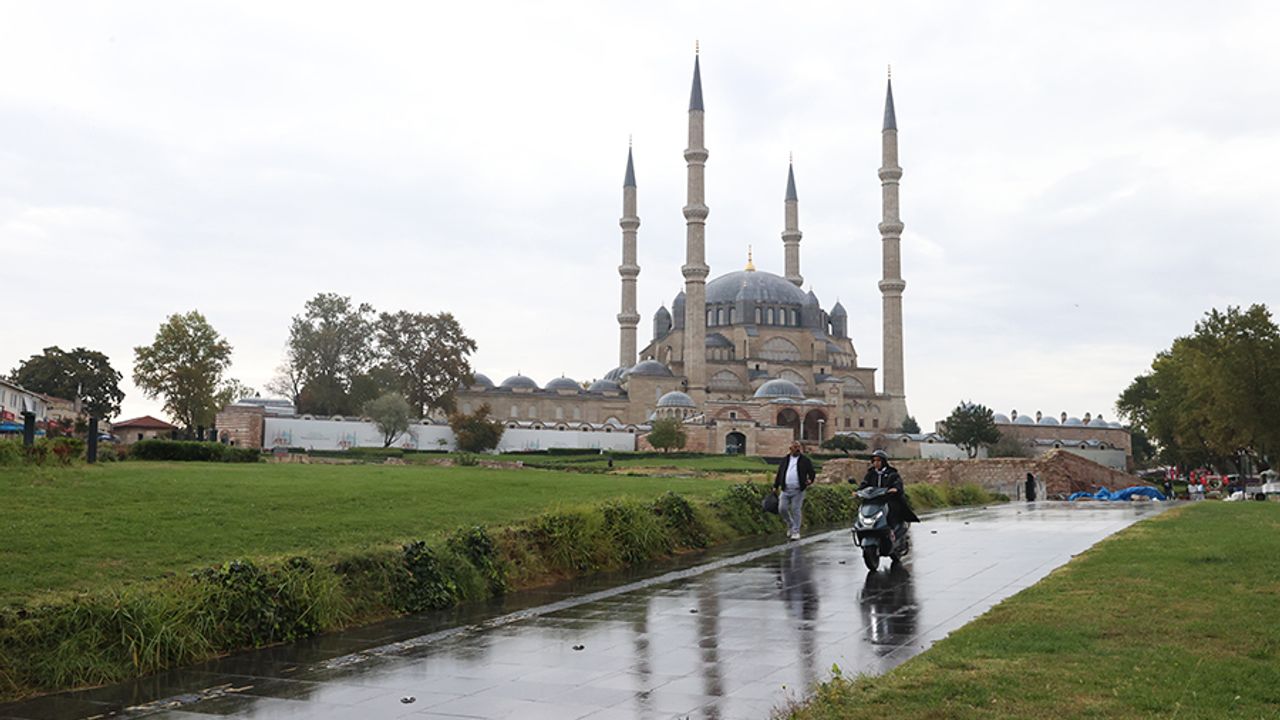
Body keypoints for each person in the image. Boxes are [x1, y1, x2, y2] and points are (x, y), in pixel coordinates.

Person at [853, 449, 921, 526]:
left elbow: (897, 482)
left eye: (878, 461)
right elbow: (864, 483)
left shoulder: (892, 473)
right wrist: (858, 492)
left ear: (884, 461)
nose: (876, 463)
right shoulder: (871, 473)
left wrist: (895, 488)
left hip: (887, 498)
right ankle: (862, 524)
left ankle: (892, 527)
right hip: (873, 499)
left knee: (893, 506)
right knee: (864, 506)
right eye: (874, 461)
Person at [773, 441, 816, 540]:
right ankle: (790, 524)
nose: (797, 449)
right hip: (785, 489)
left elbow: (812, 472)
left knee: (795, 509)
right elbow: (780, 473)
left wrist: (810, 480)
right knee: (782, 509)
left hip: (798, 490)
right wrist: (776, 486)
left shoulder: (805, 460)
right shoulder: (785, 460)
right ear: (790, 448)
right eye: (795, 447)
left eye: (798, 447)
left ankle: (796, 531)